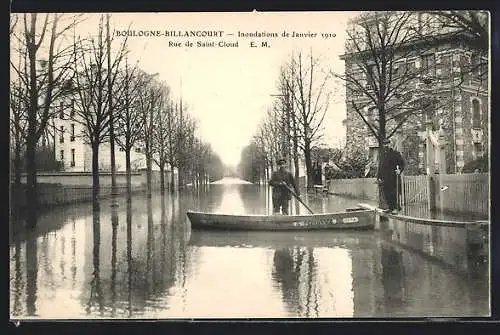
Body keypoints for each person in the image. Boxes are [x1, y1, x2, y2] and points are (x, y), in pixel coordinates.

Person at [377, 140, 405, 214]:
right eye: (384, 144)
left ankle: (396, 208)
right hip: (384, 178)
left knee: (393, 193)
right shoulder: (382, 154)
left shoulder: (395, 154)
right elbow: (380, 166)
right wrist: (379, 177)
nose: (386, 145)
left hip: (393, 177)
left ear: (390, 144)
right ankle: (390, 208)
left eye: (387, 144)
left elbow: (402, 163)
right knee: (386, 193)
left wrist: (400, 171)